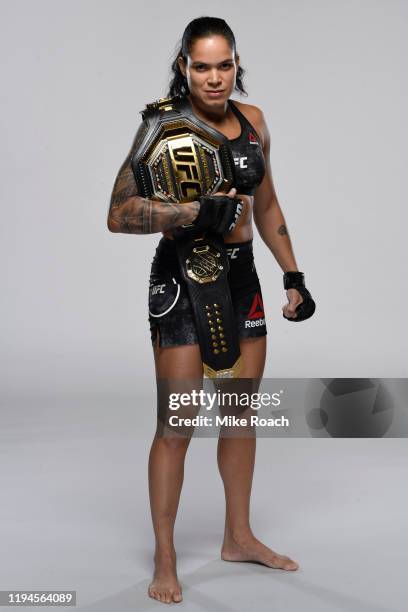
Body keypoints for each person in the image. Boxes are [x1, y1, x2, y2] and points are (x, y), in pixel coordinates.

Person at [107, 16, 312, 606]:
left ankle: (238, 537)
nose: (215, 78)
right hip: (182, 278)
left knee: (240, 415)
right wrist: (193, 214)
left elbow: (267, 203)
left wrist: (294, 275)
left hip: (242, 277)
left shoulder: (255, 124)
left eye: (224, 65)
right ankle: (165, 557)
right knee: (177, 424)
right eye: (203, 66)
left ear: (236, 63)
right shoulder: (162, 126)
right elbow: (119, 213)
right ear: (184, 68)